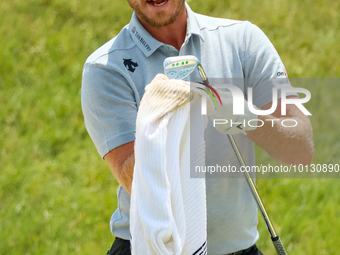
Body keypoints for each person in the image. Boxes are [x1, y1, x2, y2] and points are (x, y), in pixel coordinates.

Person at [81, 0, 314, 254]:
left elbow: (300, 150)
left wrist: (242, 115)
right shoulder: (105, 67)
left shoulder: (243, 40)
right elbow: (137, 182)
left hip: (237, 249)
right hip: (149, 248)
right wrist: (168, 110)